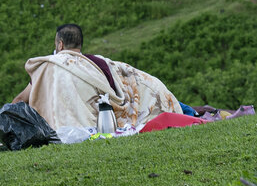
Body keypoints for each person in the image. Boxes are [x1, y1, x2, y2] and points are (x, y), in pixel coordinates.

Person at [14, 22, 183, 132]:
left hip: (63, 128)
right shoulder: (96, 62)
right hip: (106, 118)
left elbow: (22, 98)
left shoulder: (49, 66)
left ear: (60, 44)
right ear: (80, 45)